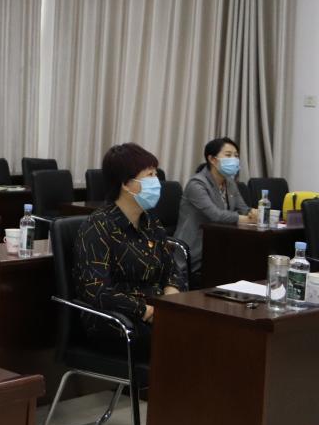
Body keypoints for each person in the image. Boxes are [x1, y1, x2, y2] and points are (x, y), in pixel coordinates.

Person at [73, 143, 187, 359]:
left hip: (156, 312)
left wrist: (171, 297)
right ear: (126, 184)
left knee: (207, 330)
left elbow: (172, 269)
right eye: (149, 175)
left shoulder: (151, 222)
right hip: (115, 321)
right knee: (187, 341)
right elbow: (96, 291)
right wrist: (144, 310)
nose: (156, 182)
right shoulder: (98, 226)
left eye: (156, 174)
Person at [175, 137, 257, 277]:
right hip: (195, 248)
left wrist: (253, 212)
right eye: (228, 155)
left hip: (219, 244)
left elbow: (243, 208)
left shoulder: (229, 183)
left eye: (236, 156)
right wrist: (245, 219)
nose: (234, 159)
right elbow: (216, 215)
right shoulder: (196, 184)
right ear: (212, 159)